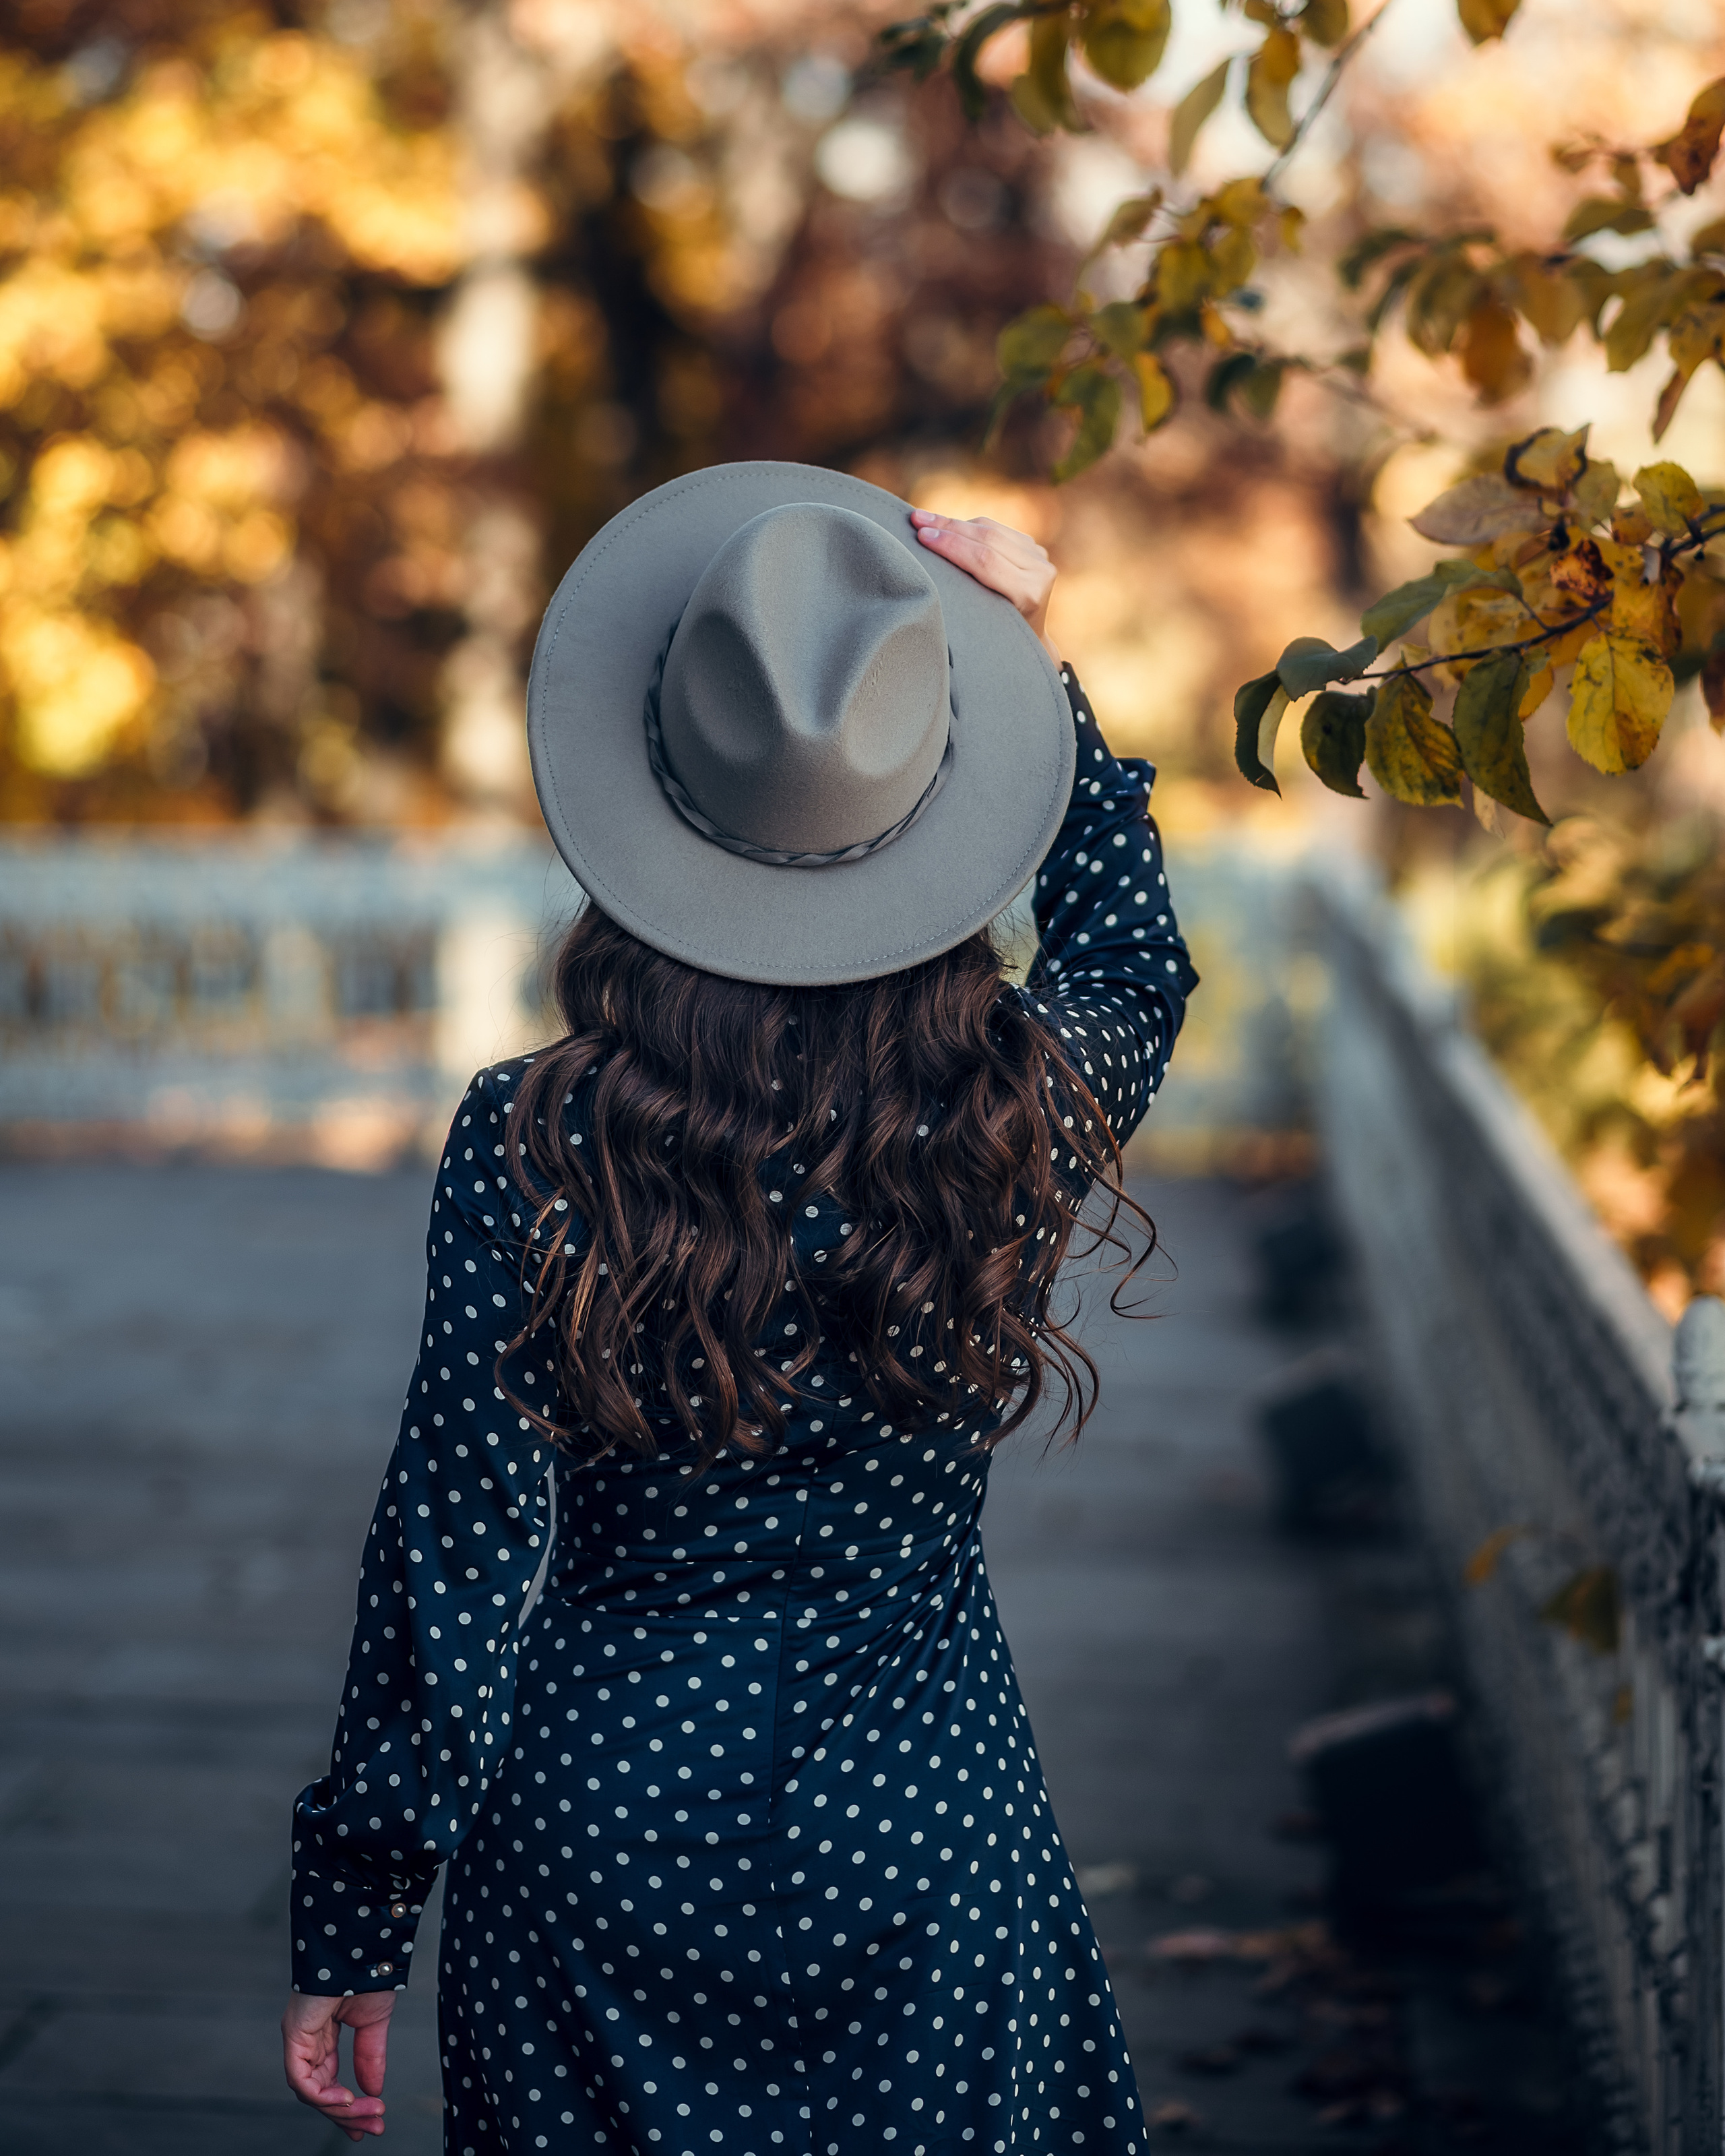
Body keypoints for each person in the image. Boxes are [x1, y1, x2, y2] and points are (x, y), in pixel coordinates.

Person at [281, 462, 1197, 2155]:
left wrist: (356, 1907)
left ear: (650, 787)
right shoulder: (1006, 1118)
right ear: (931, 806)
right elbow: (1131, 946)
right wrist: (1022, 659)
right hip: (921, 1842)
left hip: (594, 1849)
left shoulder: (531, 1134)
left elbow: (453, 1541)